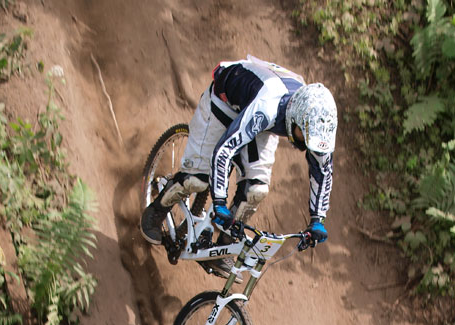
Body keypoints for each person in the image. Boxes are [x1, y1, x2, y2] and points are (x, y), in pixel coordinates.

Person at [140, 56, 337, 276]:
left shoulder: (317, 122)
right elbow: (224, 150)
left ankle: (225, 246)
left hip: (261, 121)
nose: (307, 143)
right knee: (196, 180)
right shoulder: (267, 108)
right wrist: (220, 203)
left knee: (256, 190)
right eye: (305, 136)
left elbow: (323, 171)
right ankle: (156, 210)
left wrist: (317, 219)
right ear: (295, 119)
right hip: (224, 103)